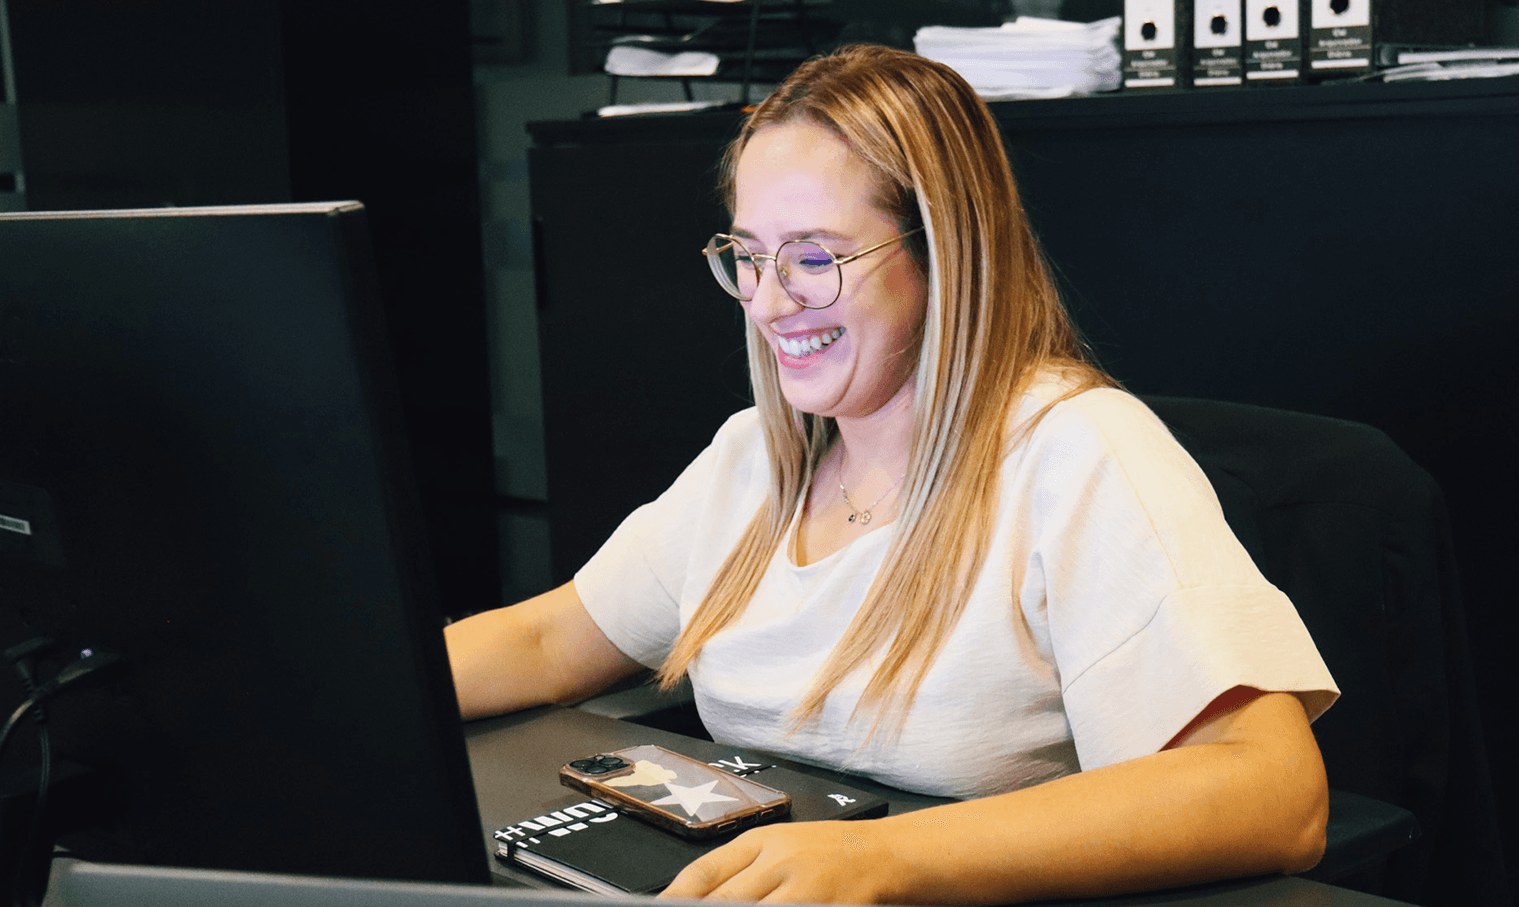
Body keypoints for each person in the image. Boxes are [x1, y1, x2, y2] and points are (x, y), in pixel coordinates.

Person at [446, 44, 1338, 904]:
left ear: (943, 254)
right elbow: (546, 642)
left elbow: (1269, 791)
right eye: (749, 255)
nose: (767, 300)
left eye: (814, 257)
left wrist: (877, 859)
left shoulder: (1081, 453)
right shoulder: (757, 456)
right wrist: (334, 685)